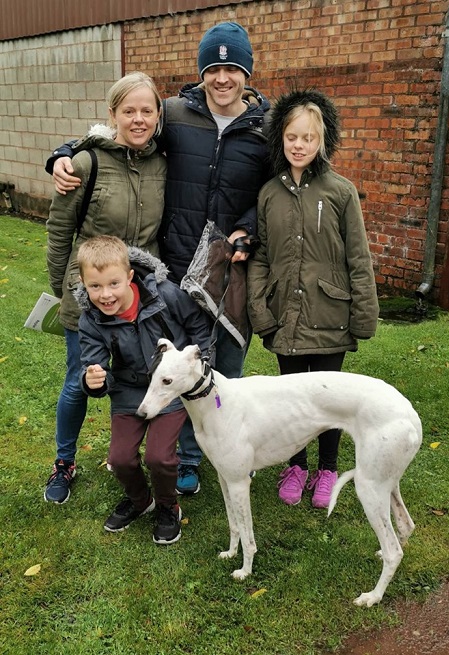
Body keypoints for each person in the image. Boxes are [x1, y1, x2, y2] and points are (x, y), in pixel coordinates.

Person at [46, 22, 272, 496]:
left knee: (224, 368)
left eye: (233, 68)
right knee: (155, 366)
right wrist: (63, 153)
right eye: (214, 68)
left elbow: (275, 186)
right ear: (202, 73)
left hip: (226, 266)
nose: (223, 78)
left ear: (247, 73)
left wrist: (247, 227)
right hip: (170, 267)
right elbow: (118, 132)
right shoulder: (176, 114)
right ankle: (157, 458)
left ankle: (215, 451)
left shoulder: (265, 129)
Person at [247, 89, 379, 509]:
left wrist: (364, 313)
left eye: (307, 138)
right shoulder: (269, 193)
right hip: (286, 315)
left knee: (327, 401)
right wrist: (259, 309)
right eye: (291, 137)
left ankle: (326, 469)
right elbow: (262, 256)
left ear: (322, 141)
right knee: (291, 403)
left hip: (329, 316)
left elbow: (358, 256)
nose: (299, 145)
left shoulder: (340, 192)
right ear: (280, 139)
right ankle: (296, 465)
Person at [44, 72, 167, 504]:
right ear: (112, 113)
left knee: (146, 377)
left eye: (146, 110)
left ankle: (149, 456)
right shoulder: (83, 164)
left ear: (157, 115)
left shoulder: (162, 161)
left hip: (141, 297)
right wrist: (65, 289)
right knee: (80, 380)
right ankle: (64, 463)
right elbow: (60, 231)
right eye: (128, 110)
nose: (138, 119)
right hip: (90, 294)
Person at [76, 236, 210, 543]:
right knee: (120, 459)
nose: (105, 295)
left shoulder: (164, 294)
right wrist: (93, 380)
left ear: (130, 277)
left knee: (159, 458)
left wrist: (200, 361)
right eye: (94, 287)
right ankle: (140, 500)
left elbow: (197, 325)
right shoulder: (90, 320)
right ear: (83, 284)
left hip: (167, 394)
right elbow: (94, 364)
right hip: (128, 392)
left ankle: (167, 506)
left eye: (113, 284)